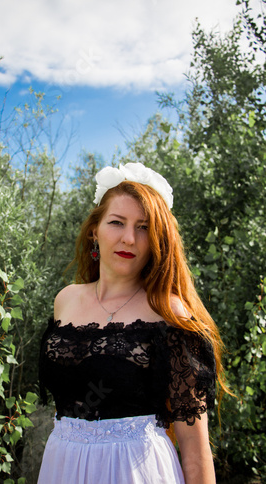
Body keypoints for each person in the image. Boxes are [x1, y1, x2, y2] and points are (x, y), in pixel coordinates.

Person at [38, 162, 226, 484]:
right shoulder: (66, 300)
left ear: (157, 240)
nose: (129, 238)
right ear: (94, 231)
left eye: (143, 227)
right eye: (117, 222)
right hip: (62, 467)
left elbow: (195, 450)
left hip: (137, 473)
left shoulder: (170, 313)